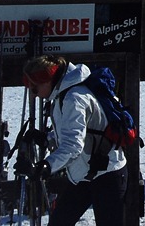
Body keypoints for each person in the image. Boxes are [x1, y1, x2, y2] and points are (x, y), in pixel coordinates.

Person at [16, 55, 128, 226]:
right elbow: (74, 133)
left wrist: (46, 166)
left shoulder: (74, 98)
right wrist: (46, 139)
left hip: (107, 175)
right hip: (85, 174)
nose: (33, 94)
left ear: (47, 81)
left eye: (34, 88)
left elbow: (74, 145)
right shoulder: (62, 95)